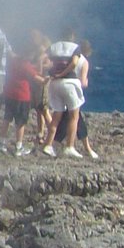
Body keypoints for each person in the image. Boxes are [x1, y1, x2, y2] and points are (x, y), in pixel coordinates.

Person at [0, 41, 46, 157]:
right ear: (29, 54)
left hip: (9, 93)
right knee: (20, 122)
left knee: (7, 118)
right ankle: (19, 147)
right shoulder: (26, 65)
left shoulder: (12, 62)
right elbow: (37, 78)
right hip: (22, 96)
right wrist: (48, 80)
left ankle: (1, 143)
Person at [43, 31, 84, 159]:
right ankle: (69, 146)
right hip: (69, 82)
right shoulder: (75, 48)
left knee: (56, 115)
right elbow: (75, 62)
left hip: (55, 83)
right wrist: (63, 73)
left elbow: (44, 59)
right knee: (73, 116)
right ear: (72, 36)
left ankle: (48, 144)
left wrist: (51, 72)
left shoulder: (53, 47)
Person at [56, 38, 99, 159]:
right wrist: (86, 81)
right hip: (73, 92)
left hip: (60, 88)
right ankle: (82, 148)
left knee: (65, 118)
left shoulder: (69, 58)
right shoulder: (84, 62)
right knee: (75, 119)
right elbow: (83, 82)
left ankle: (55, 143)